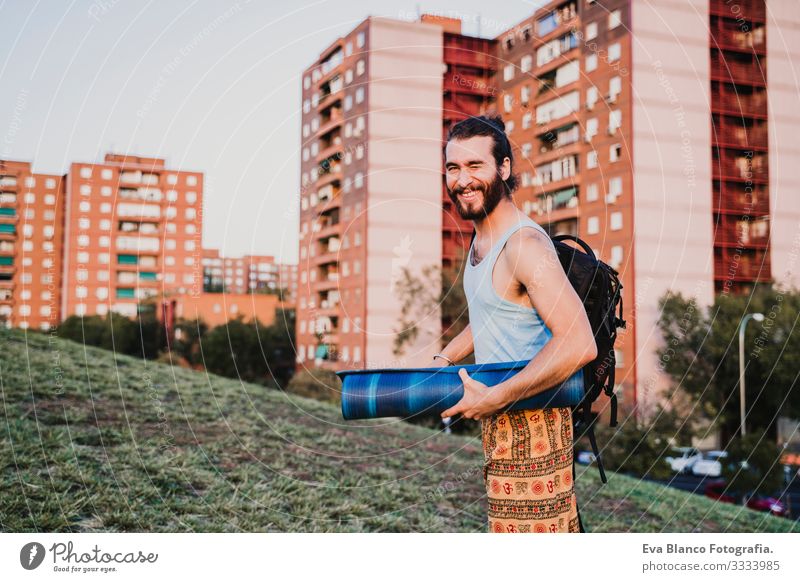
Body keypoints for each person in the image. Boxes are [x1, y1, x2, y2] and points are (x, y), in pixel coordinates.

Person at [432, 115, 597, 533]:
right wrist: (444, 356)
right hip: (501, 425)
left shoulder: (524, 245)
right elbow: (496, 313)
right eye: (453, 168)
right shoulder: (483, 239)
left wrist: (498, 396)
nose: (462, 180)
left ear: (503, 168)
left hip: (535, 425)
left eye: (475, 166)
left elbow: (580, 342)